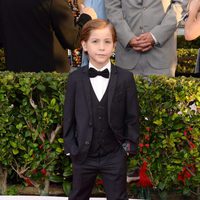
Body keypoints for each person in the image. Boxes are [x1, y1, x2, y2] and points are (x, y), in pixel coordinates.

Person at [63, 19, 140, 200]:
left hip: (114, 154)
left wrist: (126, 149)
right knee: (78, 196)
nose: (101, 47)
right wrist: (71, 148)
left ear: (114, 46)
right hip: (83, 154)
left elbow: (132, 116)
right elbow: (68, 116)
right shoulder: (75, 79)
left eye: (107, 42)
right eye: (95, 41)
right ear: (84, 45)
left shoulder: (125, 79)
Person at [0, 0, 96, 72]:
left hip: (16, 80)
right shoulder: (53, 1)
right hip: (50, 81)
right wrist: (87, 17)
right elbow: (73, 40)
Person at [104, 0, 185, 77]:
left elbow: (181, 4)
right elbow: (112, 8)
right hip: (127, 57)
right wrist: (128, 37)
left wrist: (155, 36)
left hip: (161, 58)